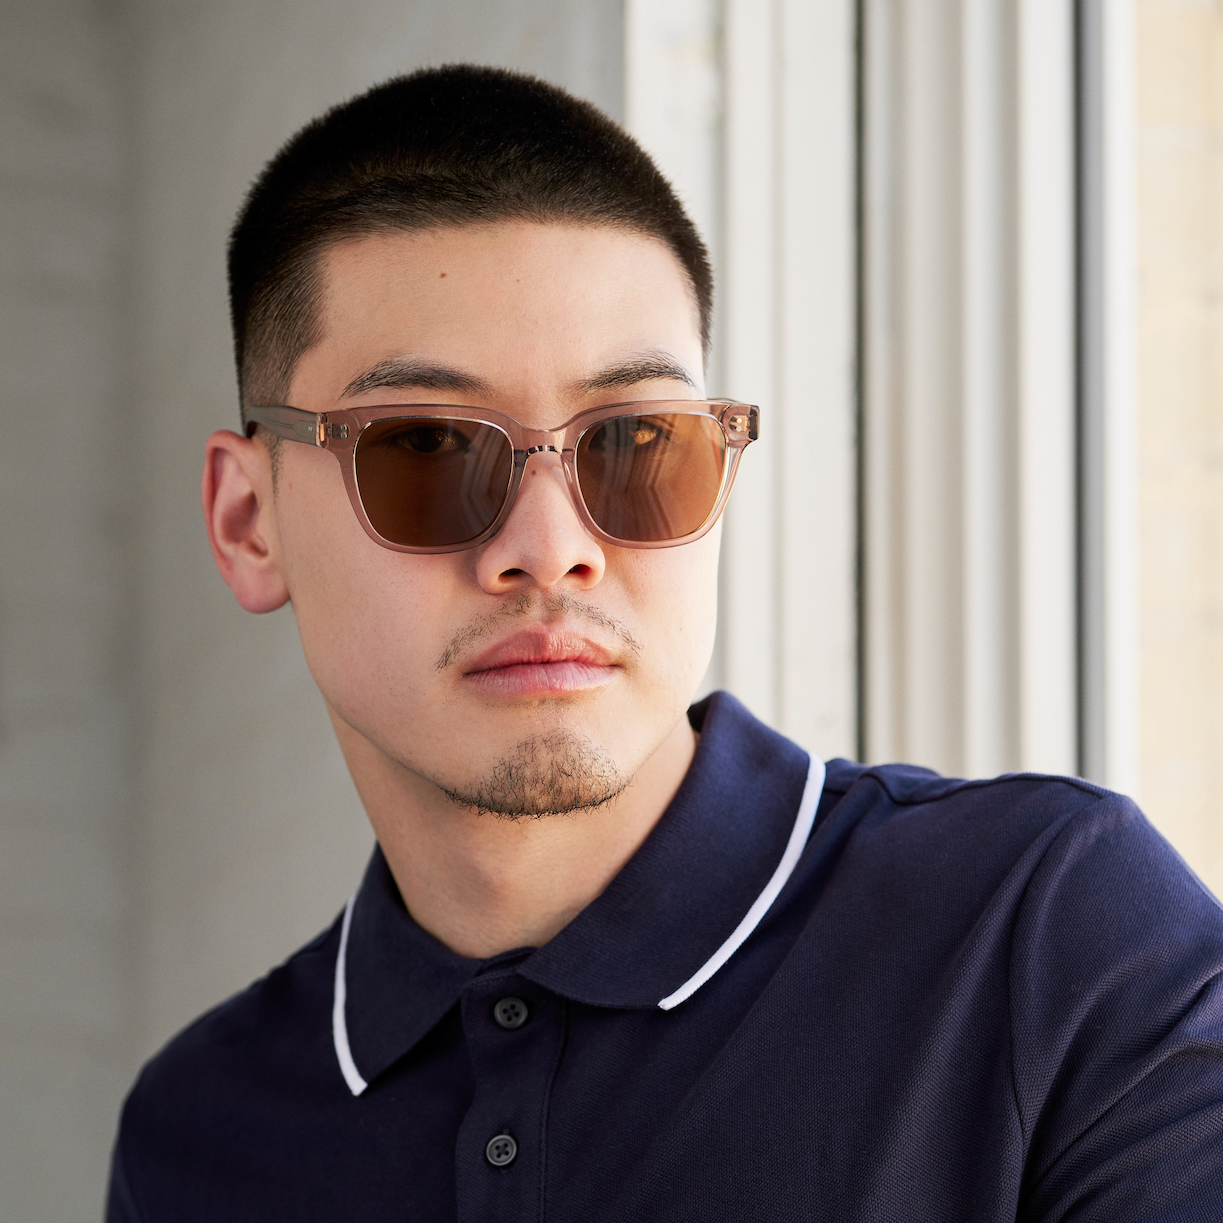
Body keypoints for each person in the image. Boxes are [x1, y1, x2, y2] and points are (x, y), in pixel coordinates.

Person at [107, 64, 1223, 1222]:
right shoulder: (194, 1133)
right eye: (429, 448)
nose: (550, 548)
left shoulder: (1051, 936)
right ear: (250, 523)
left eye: (636, 437)